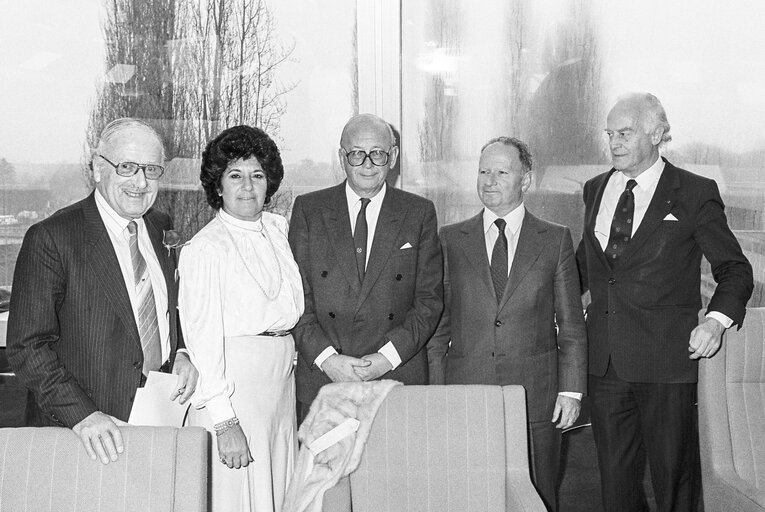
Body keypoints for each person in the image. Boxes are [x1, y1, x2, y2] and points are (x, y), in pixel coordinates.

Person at [576, 92, 753, 512]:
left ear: (657, 133)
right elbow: (586, 268)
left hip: (667, 364)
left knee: (674, 485)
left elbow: (735, 269)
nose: (614, 142)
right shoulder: (594, 189)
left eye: (625, 132)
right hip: (605, 365)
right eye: (610, 134)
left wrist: (715, 322)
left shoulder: (694, 192)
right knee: (616, 490)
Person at [7, 118, 198, 465]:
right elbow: (27, 345)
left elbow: (171, 309)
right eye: (127, 167)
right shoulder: (52, 238)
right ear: (98, 168)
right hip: (81, 437)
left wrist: (183, 351)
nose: (140, 183)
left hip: (156, 423)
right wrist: (83, 415)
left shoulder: (160, 228)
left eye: (152, 169)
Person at [428, 137, 587, 511]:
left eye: (502, 171)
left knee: (537, 497)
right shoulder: (450, 239)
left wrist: (572, 391)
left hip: (537, 399)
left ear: (526, 179)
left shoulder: (556, 239)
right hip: (465, 396)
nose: (490, 180)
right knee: (469, 496)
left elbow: (571, 327)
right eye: (483, 171)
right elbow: (439, 329)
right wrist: (435, 392)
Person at [178, 125, 304, 512]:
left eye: (257, 175)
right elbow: (201, 340)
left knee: (278, 490)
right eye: (235, 175)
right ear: (217, 186)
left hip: (280, 387)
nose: (247, 187)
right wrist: (224, 422)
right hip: (236, 390)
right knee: (237, 495)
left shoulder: (279, 231)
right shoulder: (204, 249)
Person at [288, 113, 443, 421]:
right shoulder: (309, 210)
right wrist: (328, 359)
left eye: (378, 153)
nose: (368, 164)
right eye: (357, 154)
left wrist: (386, 358)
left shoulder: (419, 213)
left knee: (396, 469)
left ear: (393, 156)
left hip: (396, 375)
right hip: (324, 377)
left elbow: (429, 302)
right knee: (328, 470)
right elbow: (295, 297)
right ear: (342, 157)